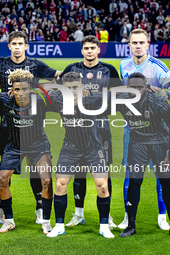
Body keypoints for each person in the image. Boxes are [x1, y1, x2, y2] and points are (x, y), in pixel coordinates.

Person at [0, 31, 61, 225]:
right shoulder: (0, 63)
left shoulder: (35, 65)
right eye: (14, 43)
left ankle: (39, 207)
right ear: (9, 46)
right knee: (5, 170)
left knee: (37, 171)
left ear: (26, 46)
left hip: (32, 120)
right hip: (8, 122)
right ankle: (3, 208)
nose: (17, 47)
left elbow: (57, 76)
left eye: (21, 43)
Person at [59, 35, 121, 228]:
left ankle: (107, 215)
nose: (89, 51)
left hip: (101, 128)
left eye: (93, 48)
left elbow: (118, 95)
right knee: (79, 171)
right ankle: (78, 214)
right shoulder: (72, 69)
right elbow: (60, 94)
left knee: (104, 173)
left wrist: (98, 103)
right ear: (81, 50)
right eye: (86, 48)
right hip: (77, 128)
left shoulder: (108, 70)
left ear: (98, 50)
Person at [47, 72, 114, 239]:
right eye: (67, 89)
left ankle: (104, 226)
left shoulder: (94, 99)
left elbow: (118, 93)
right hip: (70, 148)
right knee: (61, 184)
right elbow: (38, 91)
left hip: (93, 148)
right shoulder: (57, 99)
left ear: (82, 87)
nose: (71, 92)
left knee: (102, 186)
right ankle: (59, 225)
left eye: (75, 88)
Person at [119, 28, 170, 230]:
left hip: (158, 130)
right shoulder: (124, 64)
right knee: (130, 176)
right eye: (134, 43)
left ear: (148, 45)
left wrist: (162, 92)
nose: (138, 46)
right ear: (129, 45)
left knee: (162, 175)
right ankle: (127, 217)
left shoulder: (159, 67)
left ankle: (162, 216)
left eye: (142, 43)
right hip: (132, 128)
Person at [0, 70, 54, 234]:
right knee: (2, 178)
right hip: (14, 146)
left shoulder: (40, 101)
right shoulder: (5, 101)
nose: (20, 93)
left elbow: (58, 88)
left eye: (25, 89)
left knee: (47, 181)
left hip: (38, 145)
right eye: (17, 90)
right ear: (11, 90)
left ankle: (46, 221)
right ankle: (8, 220)